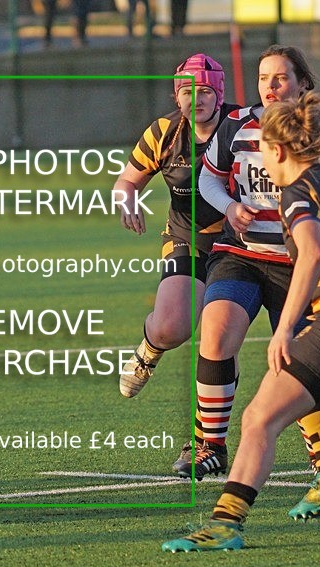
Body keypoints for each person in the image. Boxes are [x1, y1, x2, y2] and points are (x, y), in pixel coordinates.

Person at [162, 90, 320, 552]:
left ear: (277, 151)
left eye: (262, 153)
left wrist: (287, 327)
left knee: (258, 420)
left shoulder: (298, 189)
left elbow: (310, 253)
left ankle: (226, 525)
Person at [180, 45, 320, 482]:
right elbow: (207, 176)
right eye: (264, 78)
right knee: (216, 330)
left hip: (298, 266)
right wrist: (228, 206)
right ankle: (210, 446)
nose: (271, 86)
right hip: (241, 255)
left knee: (300, 358)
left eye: (281, 77)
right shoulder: (237, 125)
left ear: (302, 83)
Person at [118, 54, 237, 405]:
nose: (195, 98)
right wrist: (128, 202)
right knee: (171, 327)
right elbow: (126, 181)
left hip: (239, 246)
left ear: (218, 92)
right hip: (186, 237)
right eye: (187, 91)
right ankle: (149, 350)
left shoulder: (243, 127)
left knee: (221, 338)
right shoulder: (163, 133)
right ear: (177, 96)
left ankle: (205, 440)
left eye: (204, 91)